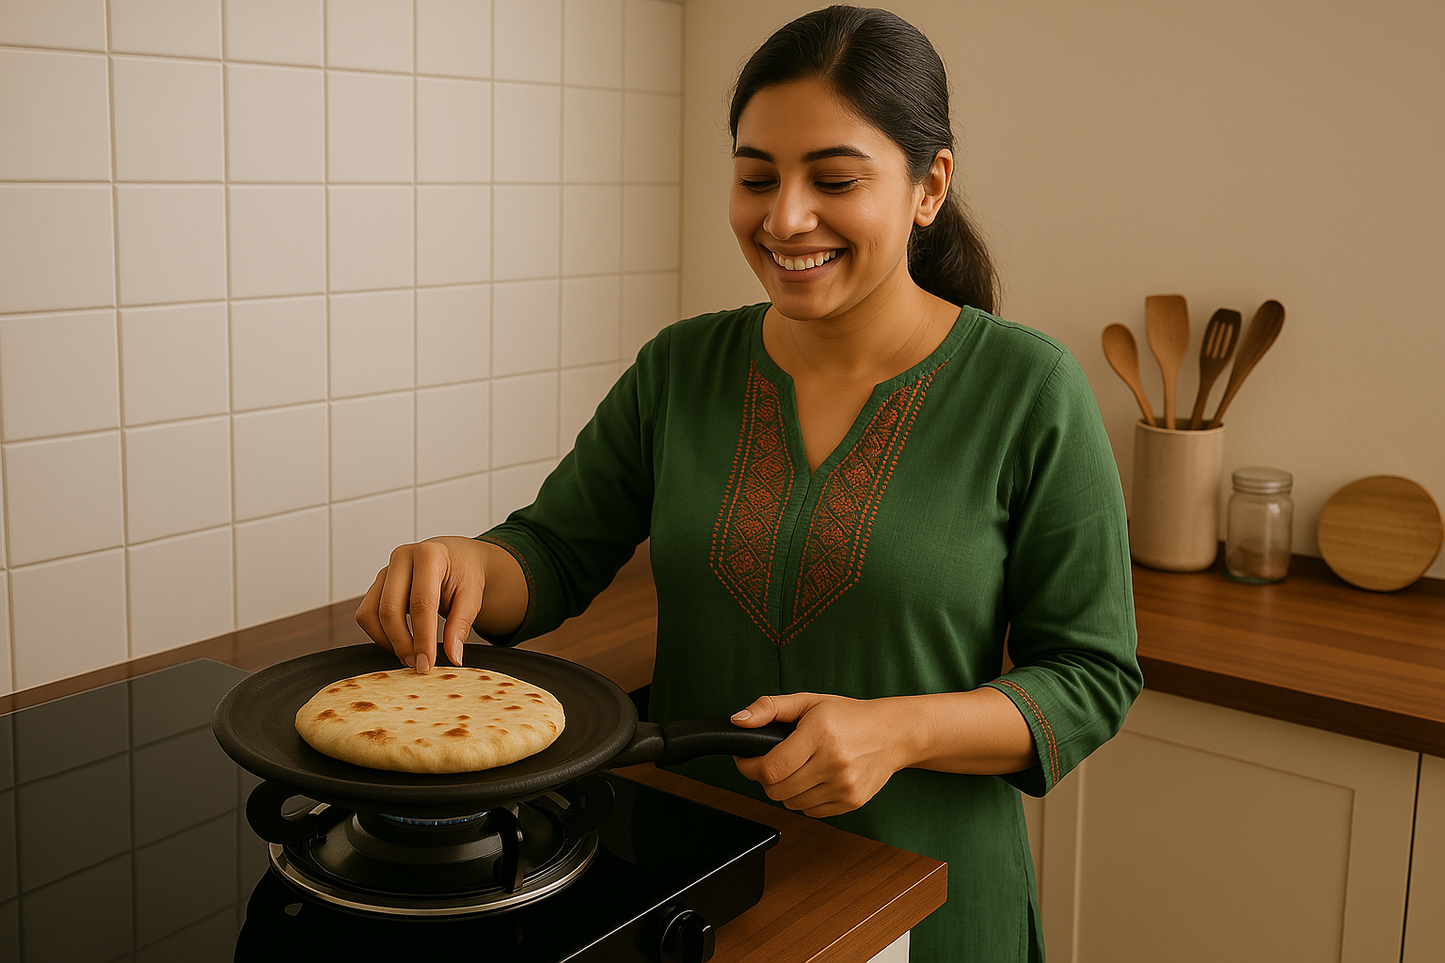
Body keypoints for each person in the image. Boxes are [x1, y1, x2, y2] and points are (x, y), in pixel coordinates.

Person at [356, 6, 1140, 960]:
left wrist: (898, 731)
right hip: (692, 887)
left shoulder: (1029, 387)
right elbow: (554, 551)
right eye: (755, 177)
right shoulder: (680, 367)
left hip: (920, 897)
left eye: (834, 179)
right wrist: (465, 563)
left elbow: (1091, 675)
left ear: (929, 186)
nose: (784, 218)